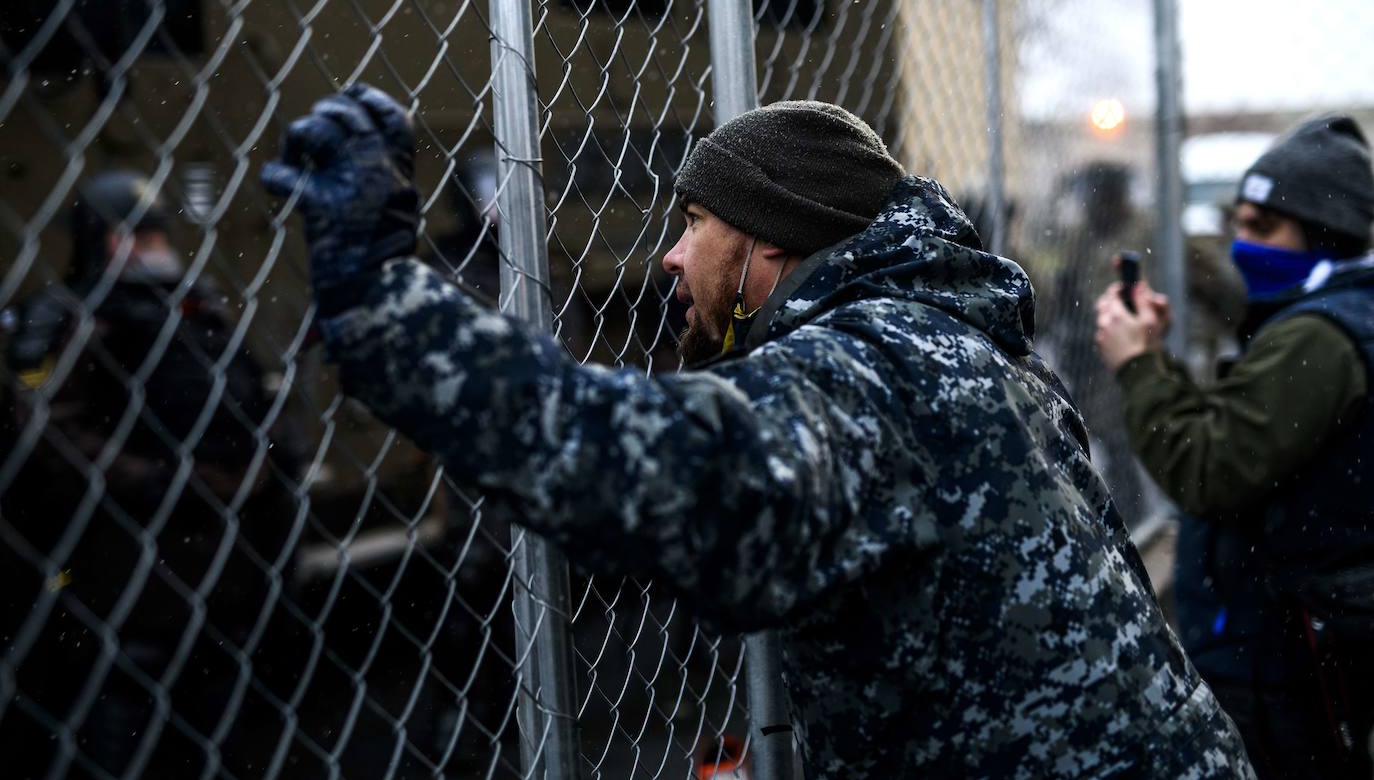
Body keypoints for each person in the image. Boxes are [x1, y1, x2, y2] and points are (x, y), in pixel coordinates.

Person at [261, 85, 1253, 778]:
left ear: (769, 233)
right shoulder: (965, 351)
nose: (668, 255)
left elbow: (647, 467)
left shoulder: (878, 369)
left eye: (695, 222)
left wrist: (385, 300)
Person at [1095, 114, 1374, 778]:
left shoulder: (1320, 337)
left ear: (1325, 230)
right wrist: (1156, 357)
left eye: (1263, 226)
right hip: (1301, 642)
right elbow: (1238, 435)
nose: (1242, 244)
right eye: (1240, 223)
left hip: (1287, 657)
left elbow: (1207, 468)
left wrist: (1137, 364)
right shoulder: (1330, 318)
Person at [1, 171, 302, 779]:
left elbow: (255, 401)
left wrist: (259, 473)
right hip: (121, 564)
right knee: (124, 724)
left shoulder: (195, 309)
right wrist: (153, 480)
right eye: (137, 233)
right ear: (104, 241)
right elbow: (52, 429)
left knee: (217, 722)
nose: (153, 243)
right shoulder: (72, 318)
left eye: (155, 230)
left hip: (215, 563)